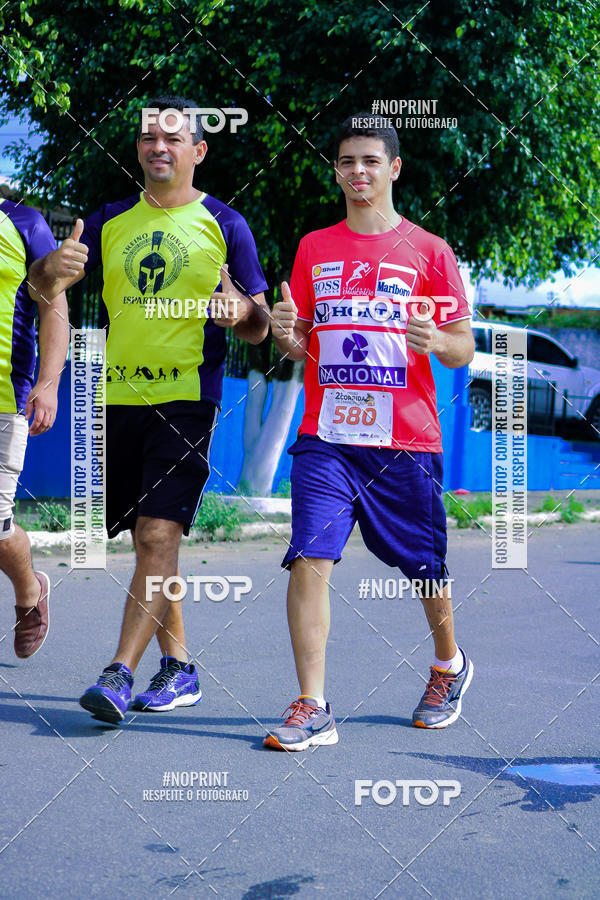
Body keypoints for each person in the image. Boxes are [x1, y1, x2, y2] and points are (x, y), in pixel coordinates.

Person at [29, 95, 269, 723]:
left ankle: (118, 672)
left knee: (158, 533)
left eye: (171, 138)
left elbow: (262, 326)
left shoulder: (226, 224)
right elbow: (47, 295)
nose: (157, 147)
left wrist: (241, 310)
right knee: (150, 542)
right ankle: (180, 666)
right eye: (146, 138)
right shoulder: (104, 223)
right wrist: (47, 273)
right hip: (115, 400)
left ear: (198, 149)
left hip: (187, 399)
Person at [267, 114, 475, 750]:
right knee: (309, 554)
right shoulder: (314, 247)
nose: (356, 172)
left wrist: (437, 338)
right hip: (325, 435)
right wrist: (284, 331)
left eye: (369, 161)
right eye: (345, 162)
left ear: (394, 169)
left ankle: (449, 663)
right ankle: (313, 704)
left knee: (422, 567)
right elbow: (304, 345)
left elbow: (464, 349)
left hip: (404, 440)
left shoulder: (430, 251)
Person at [0, 198, 68, 658]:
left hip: (5, 397)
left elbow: (55, 307)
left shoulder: (24, 222)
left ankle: (29, 588)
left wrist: (48, 384)